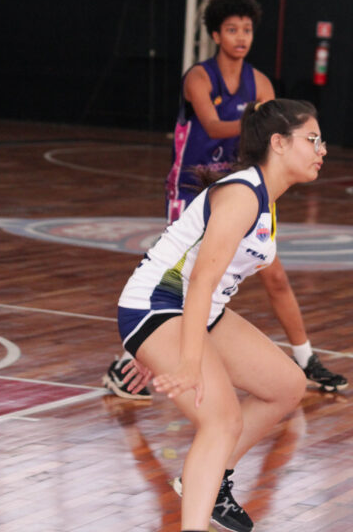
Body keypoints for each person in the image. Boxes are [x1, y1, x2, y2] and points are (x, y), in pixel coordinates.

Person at [102, 0, 346, 401]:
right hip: (193, 190)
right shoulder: (199, 77)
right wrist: (261, 127)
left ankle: (304, 358)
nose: (241, 37)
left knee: (275, 277)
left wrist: (270, 134)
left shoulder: (261, 82)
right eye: (232, 29)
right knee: (180, 279)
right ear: (216, 34)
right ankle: (131, 362)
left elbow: (272, 140)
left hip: (245, 188)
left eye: (247, 30)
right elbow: (215, 126)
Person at [116, 98, 328, 532]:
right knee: (221, 420)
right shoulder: (242, 195)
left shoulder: (265, 200)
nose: (322, 149)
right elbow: (198, 282)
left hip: (195, 310)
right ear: (279, 143)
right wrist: (187, 359)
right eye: (313, 139)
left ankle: (212, 480)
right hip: (159, 305)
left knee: (287, 385)